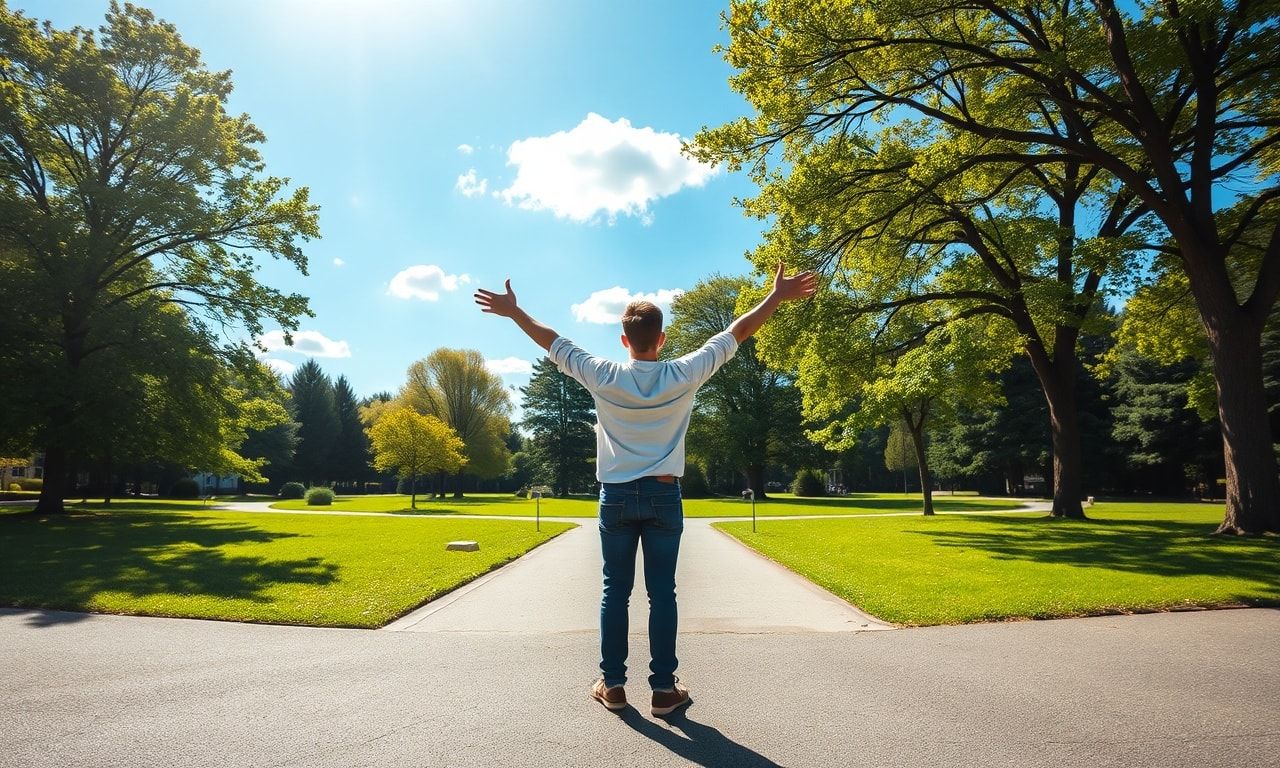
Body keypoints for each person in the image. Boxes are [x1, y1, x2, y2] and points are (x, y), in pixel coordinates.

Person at [474, 263, 816, 716]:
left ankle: (613, 686)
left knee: (615, 591)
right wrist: (775, 297)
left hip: (614, 497)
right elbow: (737, 332)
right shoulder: (685, 373)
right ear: (661, 339)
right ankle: (663, 690)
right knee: (662, 593)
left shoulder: (603, 375)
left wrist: (515, 313)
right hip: (662, 495)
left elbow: (552, 340)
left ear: (624, 340)